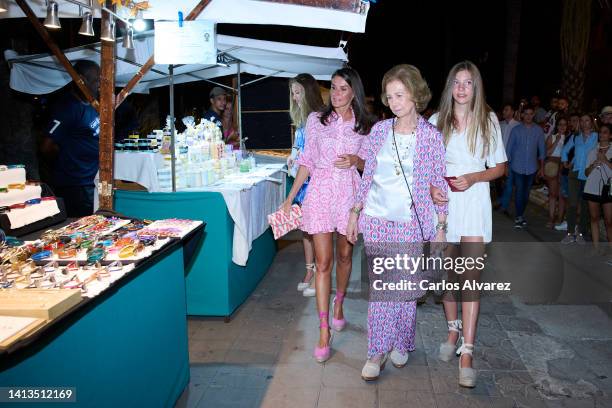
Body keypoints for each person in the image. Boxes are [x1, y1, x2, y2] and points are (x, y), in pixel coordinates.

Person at [345, 64, 448, 381]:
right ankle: (376, 350)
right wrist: (355, 212)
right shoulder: (378, 131)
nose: (394, 102)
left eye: (400, 95)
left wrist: (442, 225)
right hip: (376, 218)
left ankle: (402, 341)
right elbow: (368, 176)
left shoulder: (430, 137)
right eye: (390, 96)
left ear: (416, 94)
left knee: (403, 289)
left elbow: (438, 184)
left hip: (411, 222)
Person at [280, 67, 374, 363]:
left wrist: (356, 160)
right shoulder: (315, 120)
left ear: (353, 92)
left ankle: (339, 305)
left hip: (349, 195)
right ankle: (323, 330)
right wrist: (291, 197)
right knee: (323, 262)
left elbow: (370, 164)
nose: (336, 94)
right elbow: (306, 161)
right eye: (333, 87)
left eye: (343, 88)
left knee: (345, 257)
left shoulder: (364, 124)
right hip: (320, 192)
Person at [430, 61, 506, 388]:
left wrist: (475, 176)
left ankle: (468, 351)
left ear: (476, 88)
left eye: (468, 83)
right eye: (457, 82)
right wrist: (433, 186)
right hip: (444, 207)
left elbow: (500, 167)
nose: (462, 88)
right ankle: (452, 330)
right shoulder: (436, 121)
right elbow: (428, 167)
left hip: (474, 203)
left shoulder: (488, 120)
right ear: (450, 87)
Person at [42, 60, 100, 217]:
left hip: (93, 180)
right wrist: (69, 162)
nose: (99, 85)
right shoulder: (67, 108)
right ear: (81, 79)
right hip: (77, 185)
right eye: (96, 80)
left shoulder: (92, 105)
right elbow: (47, 147)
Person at [286, 73, 325, 296]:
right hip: (302, 180)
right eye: (293, 93)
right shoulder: (301, 118)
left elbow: (316, 154)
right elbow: (298, 147)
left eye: (298, 92)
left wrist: (300, 158)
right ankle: (310, 271)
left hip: (315, 181)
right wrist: (292, 156)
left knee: (316, 230)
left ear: (309, 92)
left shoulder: (319, 118)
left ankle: (320, 273)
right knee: (305, 229)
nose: (295, 97)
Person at [505, 105, 546, 228]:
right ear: (522, 115)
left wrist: (542, 168)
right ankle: (519, 216)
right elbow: (509, 149)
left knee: (526, 193)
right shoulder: (516, 130)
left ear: (533, 115)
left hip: (532, 168)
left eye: (531, 114)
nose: (528, 116)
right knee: (519, 191)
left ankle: (521, 214)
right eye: (526, 113)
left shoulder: (538, 130)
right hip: (517, 166)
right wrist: (506, 166)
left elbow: (542, 150)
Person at [561, 114, 599, 243]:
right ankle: (570, 232)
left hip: (589, 175)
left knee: (585, 206)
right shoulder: (575, 136)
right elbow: (565, 150)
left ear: (592, 122)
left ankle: (581, 233)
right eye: (581, 121)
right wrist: (566, 162)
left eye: (587, 120)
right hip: (575, 173)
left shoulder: (597, 137)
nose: (584, 123)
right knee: (572, 204)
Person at [584, 123, 612, 253]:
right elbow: (586, 173)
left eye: (605, 132)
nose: (602, 134)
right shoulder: (592, 150)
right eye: (600, 132)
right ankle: (596, 248)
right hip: (592, 187)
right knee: (594, 218)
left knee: (609, 220)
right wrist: (593, 165)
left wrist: (605, 160)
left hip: (609, 189)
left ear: (610, 135)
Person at [545, 117, 570, 228]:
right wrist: (557, 141)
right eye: (560, 124)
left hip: (564, 167)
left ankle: (559, 219)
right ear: (557, 126)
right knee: (553, 194)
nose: (562, 127)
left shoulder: (570, 138)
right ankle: (551, 218)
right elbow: (547, 153)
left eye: (564, 124)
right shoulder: (552, 136)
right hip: (552, 166)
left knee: (562, 195)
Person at [495, 104, 520, 210]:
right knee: (498, 181)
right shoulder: (499, 124)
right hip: (499, 157)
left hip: (511, 158)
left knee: (508, 182)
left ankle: (503, 205)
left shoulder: (518, 126)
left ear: (513, 112)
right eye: (503, 110)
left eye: (506, 110)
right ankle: (501, 201)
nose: (504, 112)